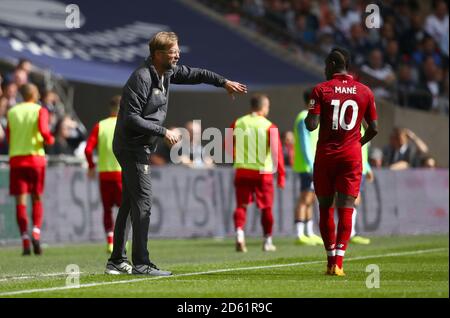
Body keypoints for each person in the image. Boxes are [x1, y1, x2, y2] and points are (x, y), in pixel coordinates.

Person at [106, 31, 247, 276]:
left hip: (140, 147)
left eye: (177, 50)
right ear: (158, 54)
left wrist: (223, 82)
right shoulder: (141, 78)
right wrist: (163, 131)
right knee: (144, 204)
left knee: (130, 203)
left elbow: (198, 74)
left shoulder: (167, 72)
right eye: (173, 51)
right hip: (131, 147)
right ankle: (142, 264)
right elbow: (130, 118)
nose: (178, 55)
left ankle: (117, 260)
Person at [305, 47, 378, 276]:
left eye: (326, 66)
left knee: (325, 207)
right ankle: (339, 263)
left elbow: (311, 125)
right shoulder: (365, 91)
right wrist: (357, 144)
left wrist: (311, 110)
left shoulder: (320, 90)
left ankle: (329, 263)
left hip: (326, 156)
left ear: (332, 64)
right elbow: (374, 129)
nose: (325, 70)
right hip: (351, 156)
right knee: (346, 208)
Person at [228, 94, 285, 252]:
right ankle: (267, 241)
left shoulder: (238, 122)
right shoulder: (269, 126)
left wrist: (237, 156)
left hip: (242, 171)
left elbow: (227, 144)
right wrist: (281, 176)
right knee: (266, 208)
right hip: (263, 172)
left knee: (241, 206)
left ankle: (240, 234)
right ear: (264, 107)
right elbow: (277, 154)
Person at [6, 83, 54, 255]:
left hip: (17, 161)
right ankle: (36, 232)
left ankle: (25, 239)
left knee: (20, 202)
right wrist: (50, 139)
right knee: (37, 198)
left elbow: (9, 137)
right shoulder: (40, 110)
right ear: (34, 94)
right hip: (35, 160)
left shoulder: (11, 112)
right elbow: (43, 131)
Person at [85, 95, 124, 253]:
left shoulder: (100, 125)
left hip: (104, 174)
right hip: (122, 174)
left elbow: (88, 149)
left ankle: (110, 241)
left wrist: (91, 166)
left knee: (107, 209)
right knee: (125, 210)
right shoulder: (125, 125)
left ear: (111, 108)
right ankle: (122, 241)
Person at [292, 89, 322, 246]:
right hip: (307, 166)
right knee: (304, 198)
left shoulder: (311, 117)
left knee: (311, 199)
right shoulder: (304, 118)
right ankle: (299, 234)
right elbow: (304, 145)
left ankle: (309, 232)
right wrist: (311, 166)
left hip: (312, 165)